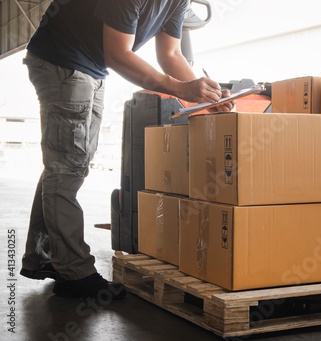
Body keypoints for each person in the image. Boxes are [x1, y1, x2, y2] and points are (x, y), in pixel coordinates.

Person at [19, 0, 234, 300]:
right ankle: (74, 273)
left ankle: (42, 255)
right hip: (62, 59)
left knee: (64, 162)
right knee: (67, 167)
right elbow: (118, 53)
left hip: (91, 65)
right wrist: (181, 89)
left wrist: (207, 95)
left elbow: (171, 54)